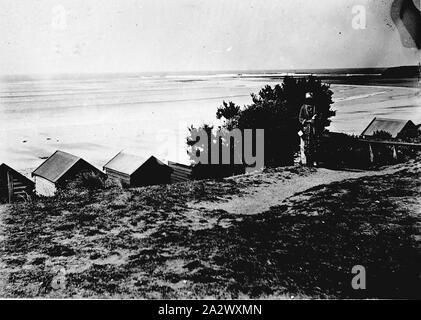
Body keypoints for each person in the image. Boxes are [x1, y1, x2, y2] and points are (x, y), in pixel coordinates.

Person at [298, 92, 319, 166]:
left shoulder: (315, 107)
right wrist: (308, 121)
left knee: (314, 144)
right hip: (306, 127)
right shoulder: (303, 107)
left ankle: (314, 160)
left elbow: (317, 117)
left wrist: (315, 118)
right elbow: (300, 118)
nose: (309, 101)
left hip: (313, 128)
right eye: (308, 99)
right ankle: (305, 160)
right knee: (305, 144)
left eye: (310, 99)